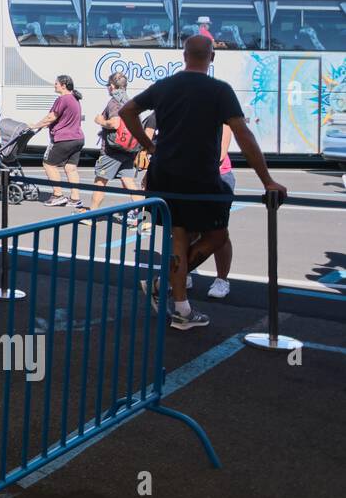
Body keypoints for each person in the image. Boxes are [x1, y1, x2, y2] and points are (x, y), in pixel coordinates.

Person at [119, 35, 286, 330]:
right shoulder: (219, 90)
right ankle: (164, 286)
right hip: (201, 177)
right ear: (212, 57)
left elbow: (127, 111)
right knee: (217, 236)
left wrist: (148, 145)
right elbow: (244, 136)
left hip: (165, 174)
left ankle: (180, 308)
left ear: (184, 55)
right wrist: (267, 180)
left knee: (179, 239)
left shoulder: (164, 86)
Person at [79, 71, 146, 227]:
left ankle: (91, 215)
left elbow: (115, 123)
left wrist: (100, 121)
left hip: (113, 151)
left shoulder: (114, 102)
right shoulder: (130, 101)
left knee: (100, 182)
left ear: (111, 86)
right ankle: (141, 215)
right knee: (128, 181)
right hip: (130, 149)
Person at [32, 74, 85, 208]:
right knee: (70, 168)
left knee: (49, 164)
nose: (54, 85)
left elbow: (52, 117)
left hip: (64, 139)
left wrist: (34, 125)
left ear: (63, 85)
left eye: (56, 83)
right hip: (77, 138)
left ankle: (57, 195)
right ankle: (75, 198)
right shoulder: (74, 98)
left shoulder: (63, 98)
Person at [208, 121, 237, 299]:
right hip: (192, 176)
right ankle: (183, 274)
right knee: (186, 230)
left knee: (218, 231)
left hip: (218, 176)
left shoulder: (220, 112)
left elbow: (220, 153)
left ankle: (222, 280)